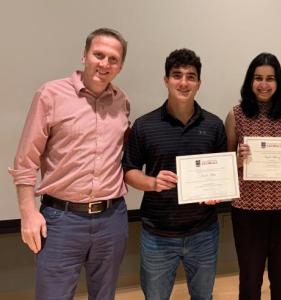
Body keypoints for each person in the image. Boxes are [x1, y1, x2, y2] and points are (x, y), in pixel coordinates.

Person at [8, 28, 130, 300]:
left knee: (105, 295)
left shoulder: (122, 102)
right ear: (84, 55)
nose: (105, 64)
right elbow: (25, 160)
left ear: (120, 65)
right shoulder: (50, 94)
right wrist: (28, 213)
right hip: (62, 220)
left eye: (113, 59)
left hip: (112, 219)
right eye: (99, 55)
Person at [122, 48, 226, 300]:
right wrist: (152, 182)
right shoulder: (145, 126)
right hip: (157, 235)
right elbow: (129, 171)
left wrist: (217, 193)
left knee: (203, 297)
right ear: (166, 80)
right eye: (177, 75)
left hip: (203, 232)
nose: (183, 82)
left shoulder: (213, 125)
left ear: (199, 83)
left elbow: (223, 172)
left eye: (191, 76)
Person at [225, 52, 281, 300]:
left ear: (278, 81)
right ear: (250, 81)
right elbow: (225, 163)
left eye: (270, 78)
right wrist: (237, 160)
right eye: (258, 78)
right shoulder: (236, 114)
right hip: (247, 209)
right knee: (250, 279)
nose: (263, 84)